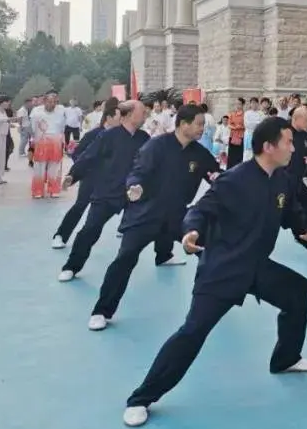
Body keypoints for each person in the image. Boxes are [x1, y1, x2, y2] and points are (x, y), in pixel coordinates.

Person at [122, 117, 307, 428]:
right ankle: (140, 398)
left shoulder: (281, 179)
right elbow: (200, 211)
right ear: (268, 147)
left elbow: (291, 213)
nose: (293, 147)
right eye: (288, 142)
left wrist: (305, 233)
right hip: (223, 269)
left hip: (256, 265)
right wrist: (190, 234)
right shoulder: (236, 179)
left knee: (299, 292)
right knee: (192, 332)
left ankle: (286, 358)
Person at [87, 105, 221, 331]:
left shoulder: (199, 154)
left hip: (177, 217)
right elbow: (138, 173)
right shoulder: (156, 146)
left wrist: (220, 178)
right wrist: (134, 188)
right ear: (183, 124)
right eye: (198, 123)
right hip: (145, 215)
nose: (202, 128)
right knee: (125, 259)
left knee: (212, 248)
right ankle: (101, 311)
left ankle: (217, 299)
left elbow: (216, 175)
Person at [58, 101, 150, 281]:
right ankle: (71, 266)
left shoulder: (144, 138)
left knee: (158, 223)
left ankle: (165, 253)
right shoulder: (108, 136)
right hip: (107, 193)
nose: (145, 115)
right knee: (90, 230)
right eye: (142, 112)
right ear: (130, 114)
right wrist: (72, 175)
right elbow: (88, 157)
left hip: (134, 194)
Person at [52, 99, 120, 248]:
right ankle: (60, 235)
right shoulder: (94, 134)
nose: (121, 121)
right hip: (91, 177)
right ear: (108, 118)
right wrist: (78, 172)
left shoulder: (120, 136)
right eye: (118, 117)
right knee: (80, 206)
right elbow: (78, 154)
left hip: (112, 180)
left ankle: (125, 227)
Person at [29, 90, 67, 198]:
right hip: (41, 142)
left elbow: (63, 127)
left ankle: (54, 189)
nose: (52, 104)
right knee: (39, 168)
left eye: (55, 101)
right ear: (44, 101)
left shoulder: (61, 110)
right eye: (50, 101)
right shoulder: (36, 111)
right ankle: (37, 191)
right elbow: (32, 127)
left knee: (54, 167)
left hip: (56, 142)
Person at [288, 106, 307, 224]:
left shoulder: (305, 136)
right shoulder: (284, 132)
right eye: (306, 120)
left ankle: (305, 231)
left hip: (298, 180)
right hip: (283, 179)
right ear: (297, 118)